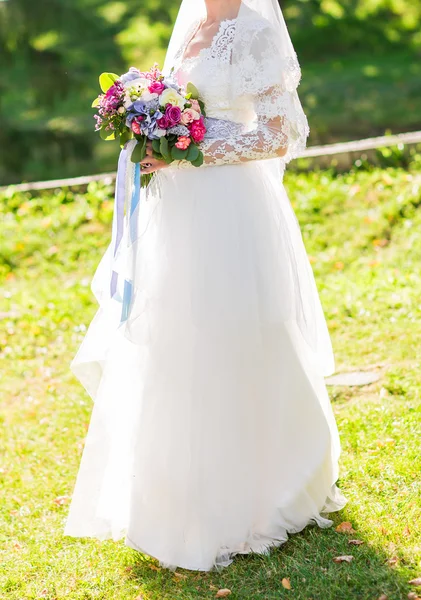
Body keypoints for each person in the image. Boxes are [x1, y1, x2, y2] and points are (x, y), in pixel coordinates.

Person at [64, 0, 348, 572]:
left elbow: (276, 136)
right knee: (178, 336)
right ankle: (176, 493)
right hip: (180, 208)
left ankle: (256, 487)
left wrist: (189, 153)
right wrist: (150, 133)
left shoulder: (257, 33)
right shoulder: (192, 24)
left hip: (229, 207)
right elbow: (181, 107)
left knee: (236, 333)